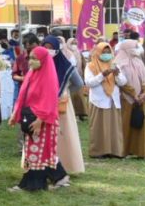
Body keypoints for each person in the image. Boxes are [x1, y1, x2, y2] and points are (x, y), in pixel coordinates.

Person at [9, 47, 70, 192]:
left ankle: (33, 185)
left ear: (43, 60)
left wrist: (40, 120)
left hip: (42, 120)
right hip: (32, 117)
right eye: (30, 57)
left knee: (36, 152)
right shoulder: (32, 73)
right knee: (41, 152)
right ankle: (59, 177)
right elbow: (23, 95)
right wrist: (15, 114)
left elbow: (49, 100)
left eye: (35, 58)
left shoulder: (48, 76)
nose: (31, 61)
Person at [43, 37, 85, 175]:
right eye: (46, 46)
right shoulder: (41, 63)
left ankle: (67, 165)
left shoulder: (65, 65)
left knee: (63, 135)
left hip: (61, 106)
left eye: (51, 46)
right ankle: (43, 165)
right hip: (44, 105)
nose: (48, 50)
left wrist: (65, 93)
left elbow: (79, 83)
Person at [85, 41, 126, 158]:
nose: (106, 54)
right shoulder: (91, 66)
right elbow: (89, 82)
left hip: (113, 100)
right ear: (98, 53)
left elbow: (123, 82)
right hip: (99, 101)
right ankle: (99, 151)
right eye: (104, 52)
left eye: (108, 52)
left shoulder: (114, 64)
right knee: (99, 127)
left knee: (114, 127)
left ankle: (115, 151)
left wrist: (117, 74)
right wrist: (102, 75)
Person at [114, 40, 145, 159]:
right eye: (134, 47)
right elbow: (120, 81)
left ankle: (142, 152)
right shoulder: (118, 63)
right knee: (125, 124)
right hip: (125, 98)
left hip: (140, 99)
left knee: (141, 124)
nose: (136, 50)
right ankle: (125, 150)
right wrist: (133, 94)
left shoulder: (138, 62)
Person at [64, 38, 88, 121]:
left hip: (79, 77)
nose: (74, 44)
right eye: (72, 43)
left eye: (75, 43)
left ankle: (81, 113)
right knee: (71, 97)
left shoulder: (79, 52)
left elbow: (83, 64)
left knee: (80, 97)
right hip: (69, 79)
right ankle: (73, 114)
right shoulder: (66, 53)